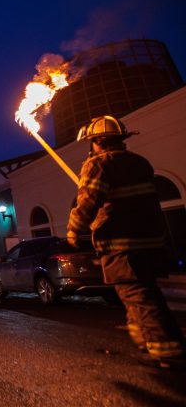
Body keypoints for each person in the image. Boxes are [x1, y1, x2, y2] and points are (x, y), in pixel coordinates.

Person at [67, 115, 185, 369]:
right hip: (151, 243)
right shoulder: (140, 163)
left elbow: (87, 201)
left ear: (98, 141)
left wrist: (74, 230)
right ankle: (145, 341)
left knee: (139, 296)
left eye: (92, 142)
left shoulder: (98, 165)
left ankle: (170, 351)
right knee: (140, 294)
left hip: (121, 245)